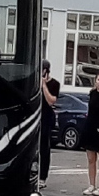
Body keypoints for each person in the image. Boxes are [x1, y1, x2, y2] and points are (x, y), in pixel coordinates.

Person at [40, 60, 60, 189]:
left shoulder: (54, 84)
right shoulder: (32, 82)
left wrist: (43, 86)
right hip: (35, 116)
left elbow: (51, 101)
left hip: (46, 118)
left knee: (44, 148)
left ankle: (43, 177)